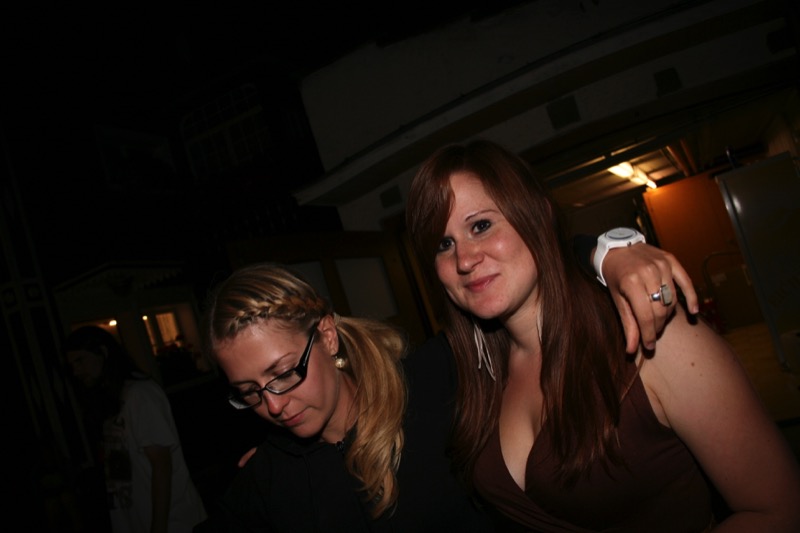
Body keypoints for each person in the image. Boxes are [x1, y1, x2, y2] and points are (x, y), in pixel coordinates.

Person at [404, 139, 800, 532]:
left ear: (538, 215)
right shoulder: (471, 374)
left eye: (481, 226)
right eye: (444, 244)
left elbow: (778, 511)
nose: (464, 259)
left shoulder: (652, 336)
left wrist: (610, 250)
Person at [194, 232, 696, 532]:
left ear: (326, 336)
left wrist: (608, 253)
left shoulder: (438, 378)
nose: (273, 406)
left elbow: (520, 274)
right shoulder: (267, 479)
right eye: (249, 392)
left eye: (283, 373)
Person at [65, 325, 208, 533]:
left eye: (80, 360)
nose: (76, 371)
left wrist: (158, 527)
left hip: (173, 522)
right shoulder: (111, 400)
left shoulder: (140, 394)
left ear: (103, 353)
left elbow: (161, 464)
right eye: (72, 365)